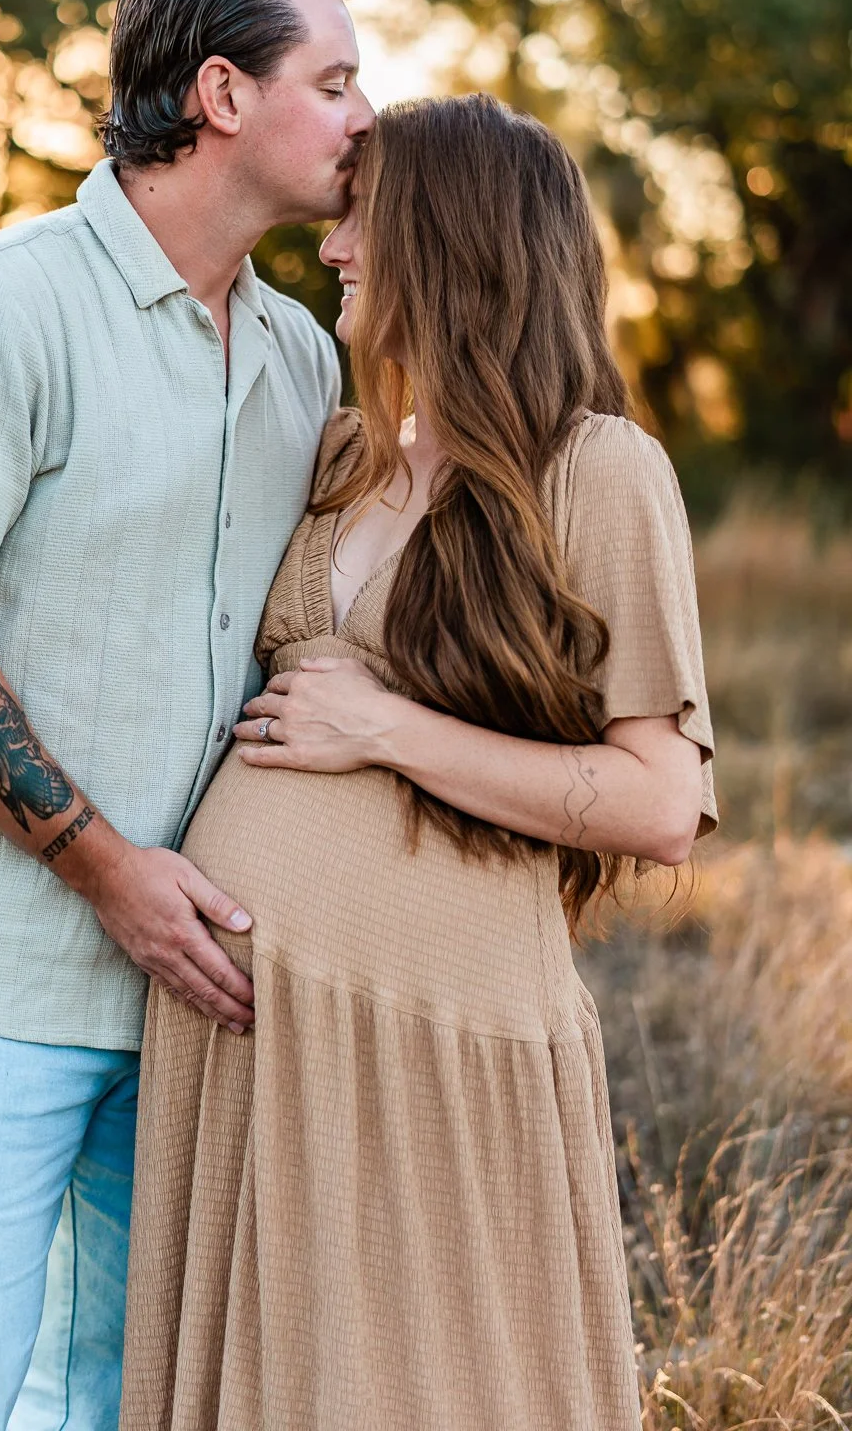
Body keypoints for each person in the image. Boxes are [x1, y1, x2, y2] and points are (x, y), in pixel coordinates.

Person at [0, 0, 374, 1431]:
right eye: (333, 82)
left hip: (197, 1010)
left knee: (129, 1404)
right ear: (219, 93)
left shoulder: (302, 359)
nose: (364, 117)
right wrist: (109, 871)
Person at [119, 92, 717, 1431]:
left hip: (437, 1037)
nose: (334, 248)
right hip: (262, 1035)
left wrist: (381, 728)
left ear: (455, 242)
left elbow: (661, 805)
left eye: (362, 222)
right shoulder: (338, 459)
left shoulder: (598, 473)